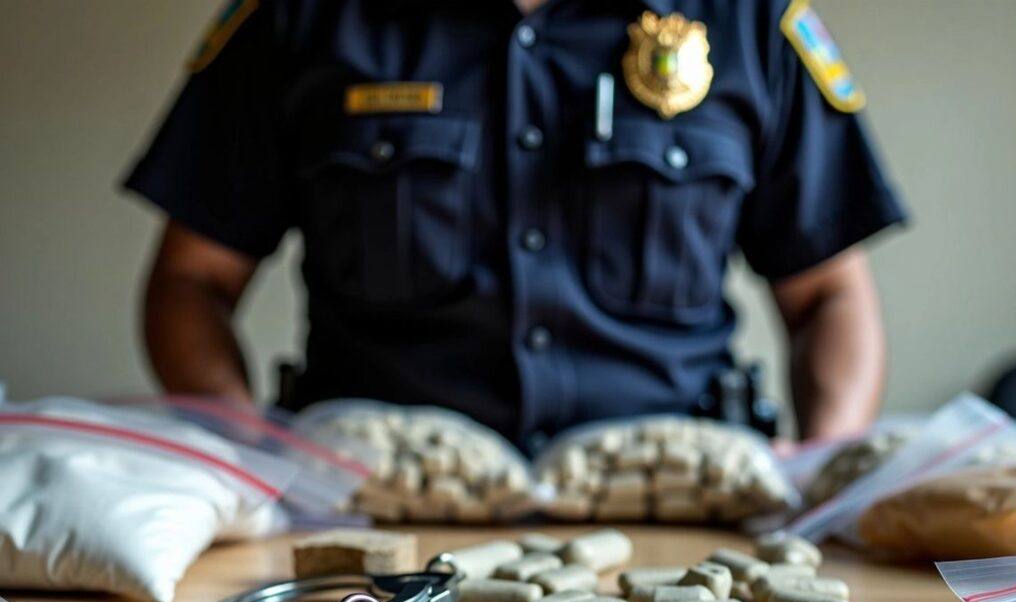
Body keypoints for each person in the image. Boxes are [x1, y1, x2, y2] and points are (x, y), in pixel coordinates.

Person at [125, 0, 906, 453]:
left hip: (684, 509)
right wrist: (258, 464)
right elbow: (191, 284)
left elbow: (828, 297)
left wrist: (821, 477)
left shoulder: (748, 20)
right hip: (373, 518)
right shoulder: (305, 15)